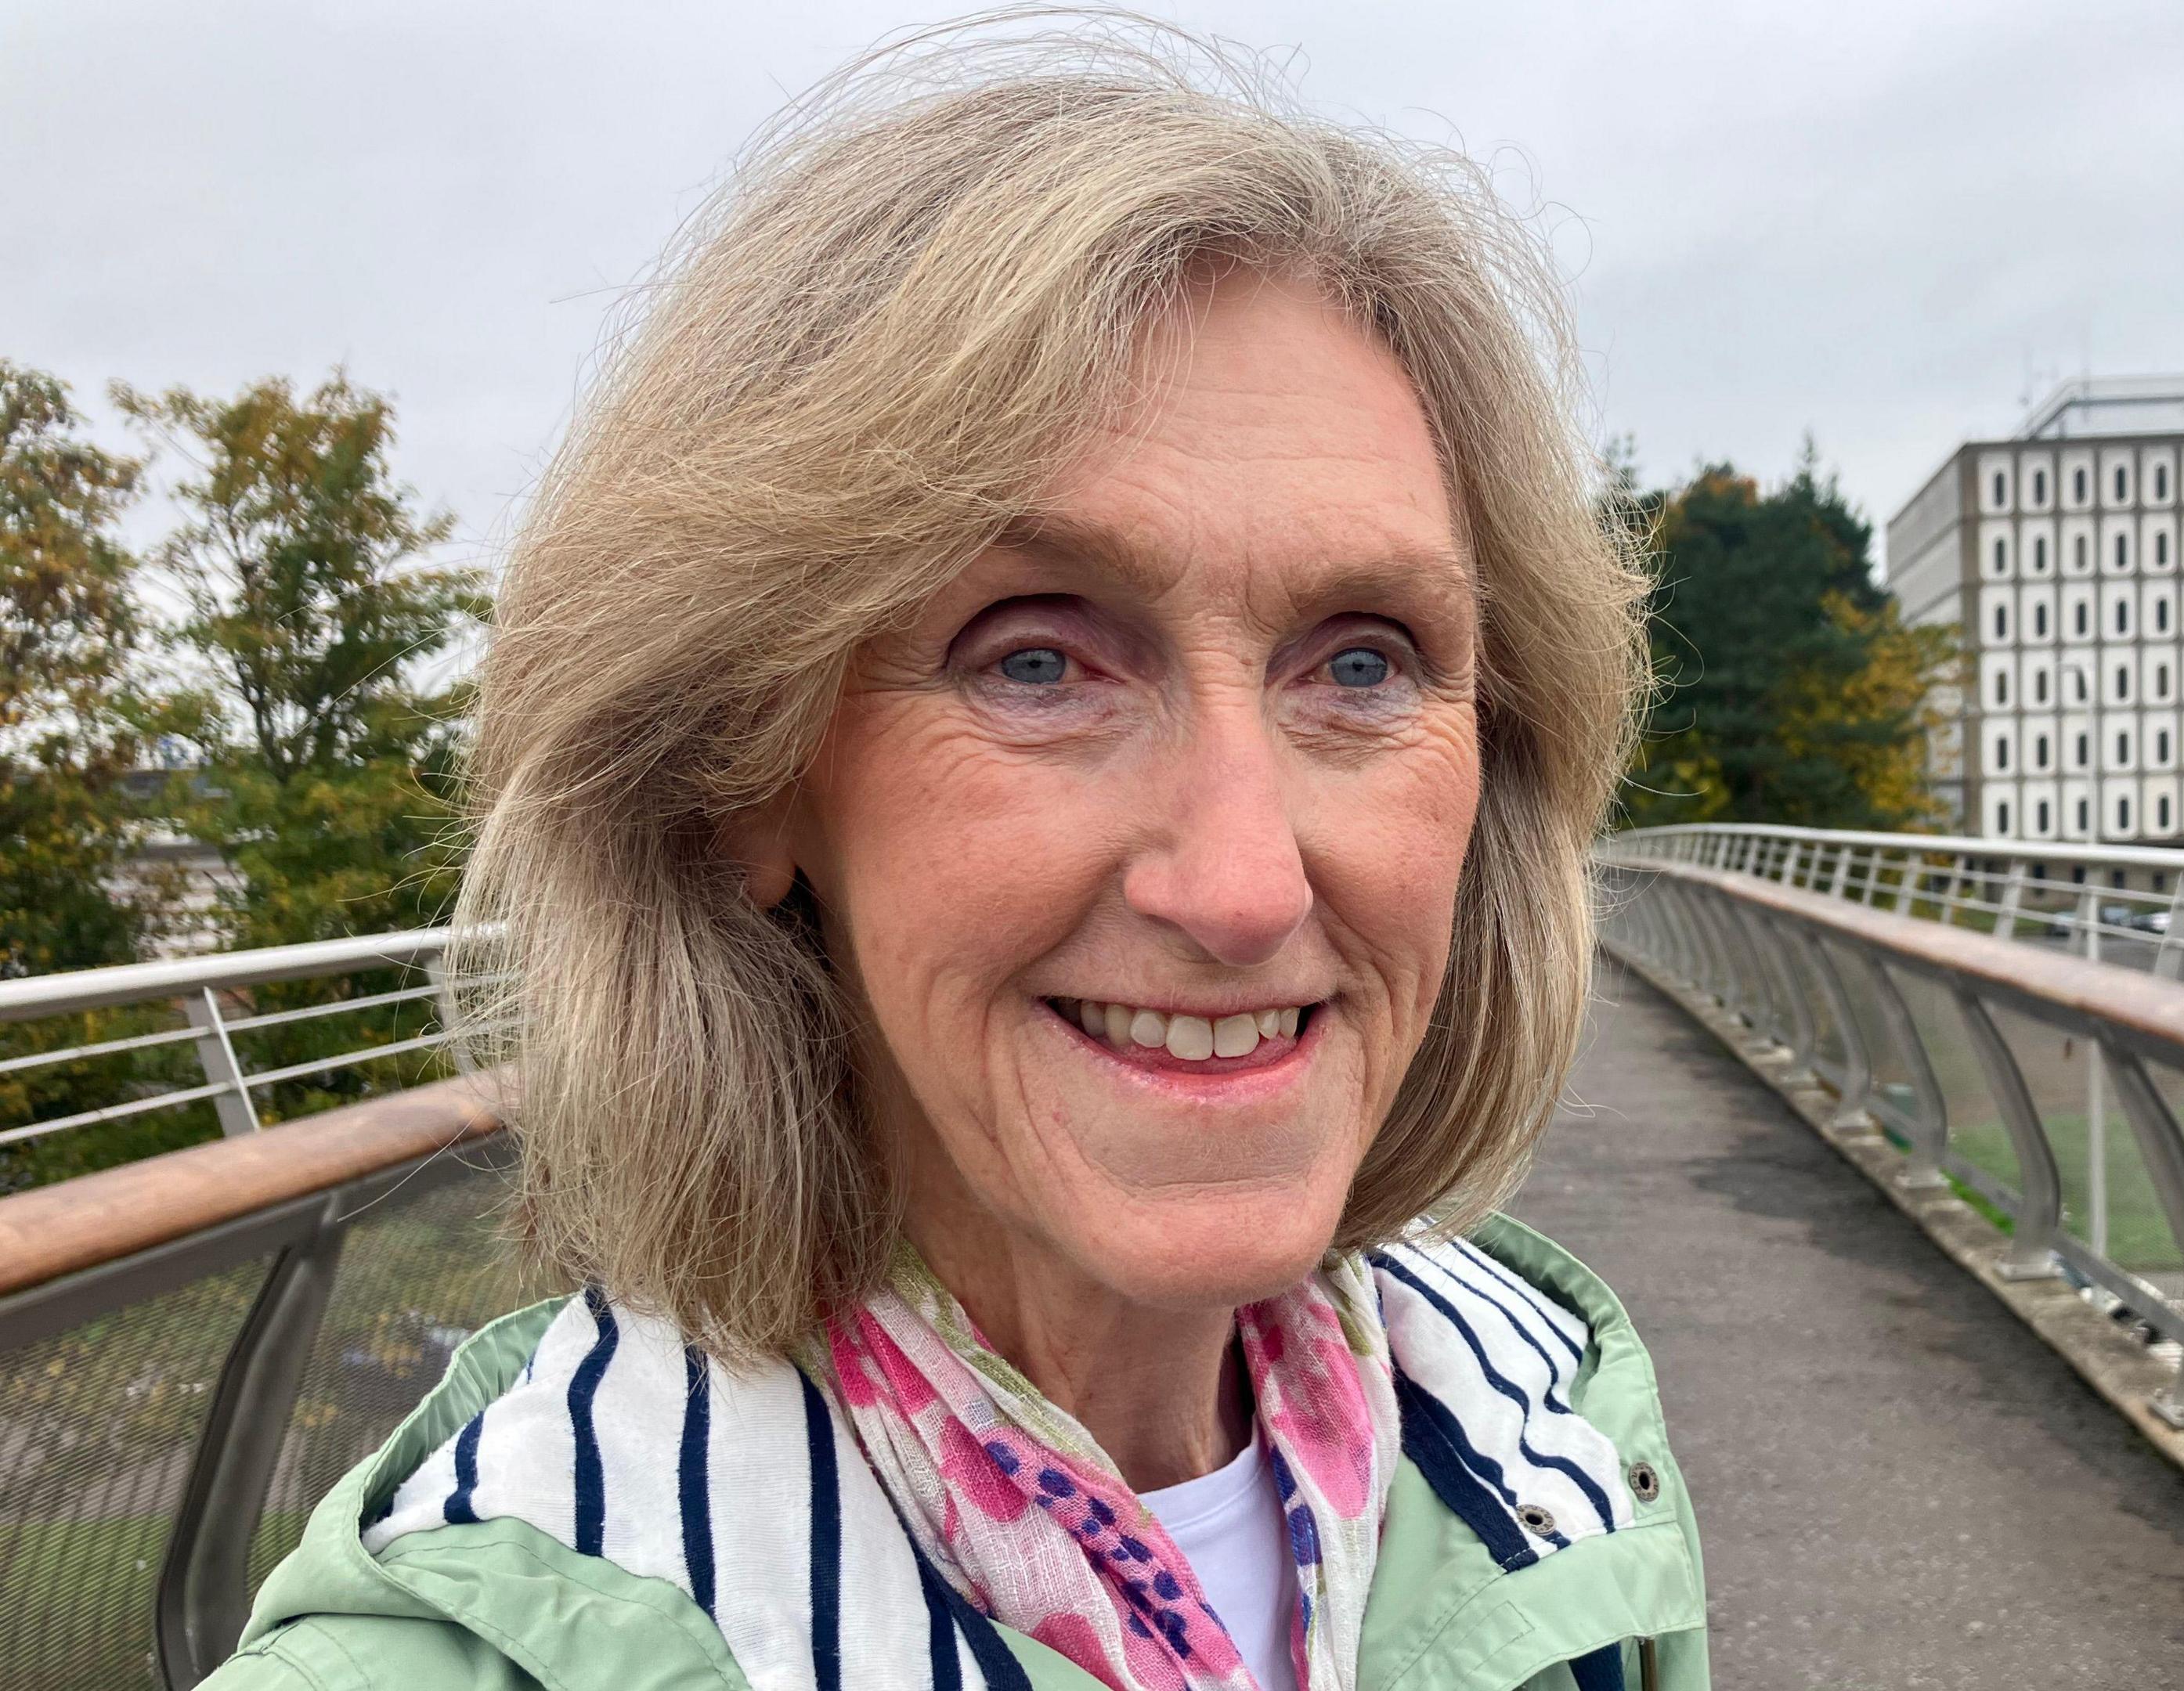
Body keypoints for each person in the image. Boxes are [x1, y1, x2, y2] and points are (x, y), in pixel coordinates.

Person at [206, 20, 1698, 1691]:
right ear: (742, 779)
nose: (1246, 885)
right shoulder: (493, 1637)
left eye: (1361, 663)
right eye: (1036, 659)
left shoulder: (1541, 1429)